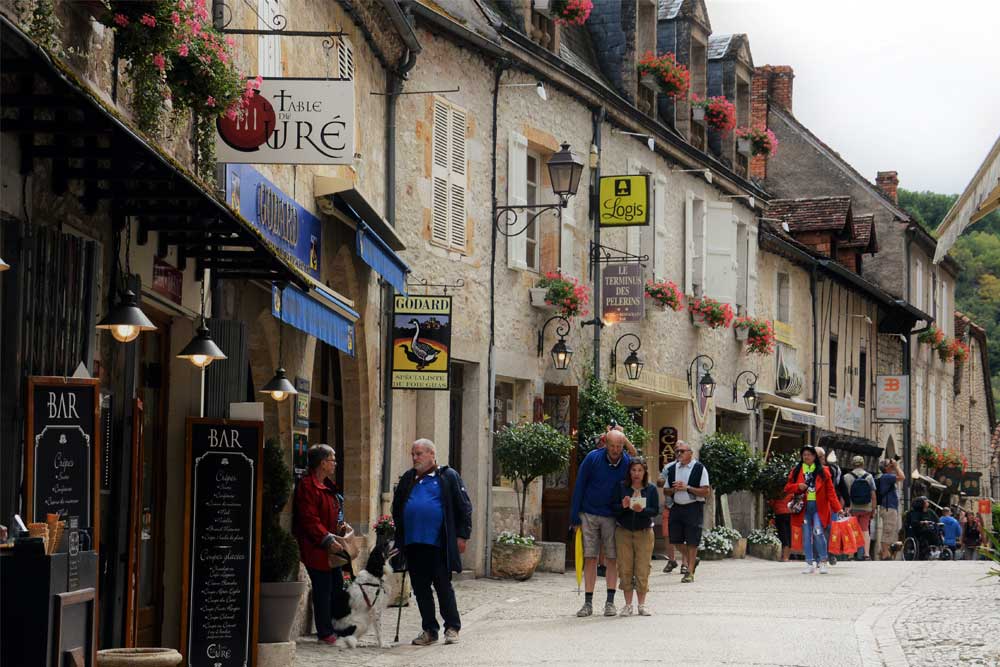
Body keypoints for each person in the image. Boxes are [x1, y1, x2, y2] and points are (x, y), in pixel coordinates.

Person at [391, 439, 473, 646]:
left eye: (418, 453)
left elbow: (464, 507)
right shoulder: (408, 478)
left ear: (431, 454)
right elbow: (397, 506)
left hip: (438, 543)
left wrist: (462, 536)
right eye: (413, 454)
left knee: (443, 586)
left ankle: (452, 627)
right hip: (413, 543)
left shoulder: (447, 476)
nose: (415, 457)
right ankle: (429, 629)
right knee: (420, 589)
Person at [293, 444, 352, 646]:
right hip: (317, 549)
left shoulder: (327, 485)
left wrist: (340, 527)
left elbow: (332, 511)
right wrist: (328, 540)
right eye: (332, 459)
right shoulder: (308, 486)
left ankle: (337, 627)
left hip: (331, 548)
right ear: (322, 463)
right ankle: (325, 632)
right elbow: (309, 520)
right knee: (323, 590)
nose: (335, 463)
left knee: (336, 587)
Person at [570, 429, 631, 617]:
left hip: (612, 516)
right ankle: (588, 603)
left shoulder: (627, 461)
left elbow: (637, 477)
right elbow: (579, 485)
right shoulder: (592, 458)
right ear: (605, 444)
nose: (615, 450)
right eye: (612, 446)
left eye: (619, 446)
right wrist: (574, 516)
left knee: (612, 559)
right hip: (589, 513)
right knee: (590, 558)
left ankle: (610, 602)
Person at [784, 445, 842, 574]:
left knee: (818, 532)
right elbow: (787, 488)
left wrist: (838, 508)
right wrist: (798, 486)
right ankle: (809, 563)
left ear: (814, 457)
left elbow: (831, 492)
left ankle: (823, 561)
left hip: (819, 508)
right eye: (804, 454)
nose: (806, 457)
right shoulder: (796, 471)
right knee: (806, 536)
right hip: (804, 508)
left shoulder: (824, 471)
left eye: (809, 454)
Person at [613, 458, 658, 616]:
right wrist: (623, 506)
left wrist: (642, 510)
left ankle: (642, 604)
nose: (636, 474)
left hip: (644, 531)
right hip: (623, 531)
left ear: (644, 472)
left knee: (643, 567)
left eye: (640, 470)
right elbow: (614, 509)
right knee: (625, 567)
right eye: (633, 470)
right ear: (629, 472)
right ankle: (627, 604)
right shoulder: (621, 487)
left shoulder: (650, 489)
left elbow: (655, 510)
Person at [660, 440, 711, 583]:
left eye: (682, 451)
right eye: (677, 451)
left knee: (692, 540)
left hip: (693, 507)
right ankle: (692, 558)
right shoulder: (671, 469)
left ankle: (689, 572)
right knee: (675, 540)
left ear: (690, 453)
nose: (679, 454)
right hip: (676, 507)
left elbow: (706, 491)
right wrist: (674, 489)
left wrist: (687, 488)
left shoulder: (699, 468)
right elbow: (665, 490)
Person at [815, 446, 847, 566]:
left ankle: (828, 554)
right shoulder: (834, 469)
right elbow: (841, 488)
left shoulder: (830, 470)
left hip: (829, 505)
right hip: (820, 505)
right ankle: (823, 556)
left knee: (828, 530)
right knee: (822, 531)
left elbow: (834, 491)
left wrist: (839, 507)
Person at [843, 455, 876, 560]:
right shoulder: (869, 476)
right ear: (863, 464)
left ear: (852, 464)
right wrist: (873, 509)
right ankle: (866, 554)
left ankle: (851, 554)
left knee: (852, 530)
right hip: (866, 508)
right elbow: (873, 495)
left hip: (852, 508)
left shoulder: (846, 477)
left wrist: (843, 508)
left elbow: (844, 495)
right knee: (865, 530)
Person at [876, 458, 905, 560]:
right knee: (888, 530)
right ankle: (884, 553)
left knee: (890, 530)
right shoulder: (887, 477)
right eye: (890, 465)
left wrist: (894, 466)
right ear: (886, 468)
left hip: (890, 507)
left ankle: (885, 552)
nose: (892, 467)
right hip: (889, 508)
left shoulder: (887, 477)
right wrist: (897, 466)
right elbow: (902, 477)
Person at [768, 490, 794, 562]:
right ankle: (786, 557)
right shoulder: (790, 492)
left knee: (783, 536)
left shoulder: (776, 493)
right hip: (788, 515)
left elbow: (771, 503)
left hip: (779, 514)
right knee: (788, 535)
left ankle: (784, 558)